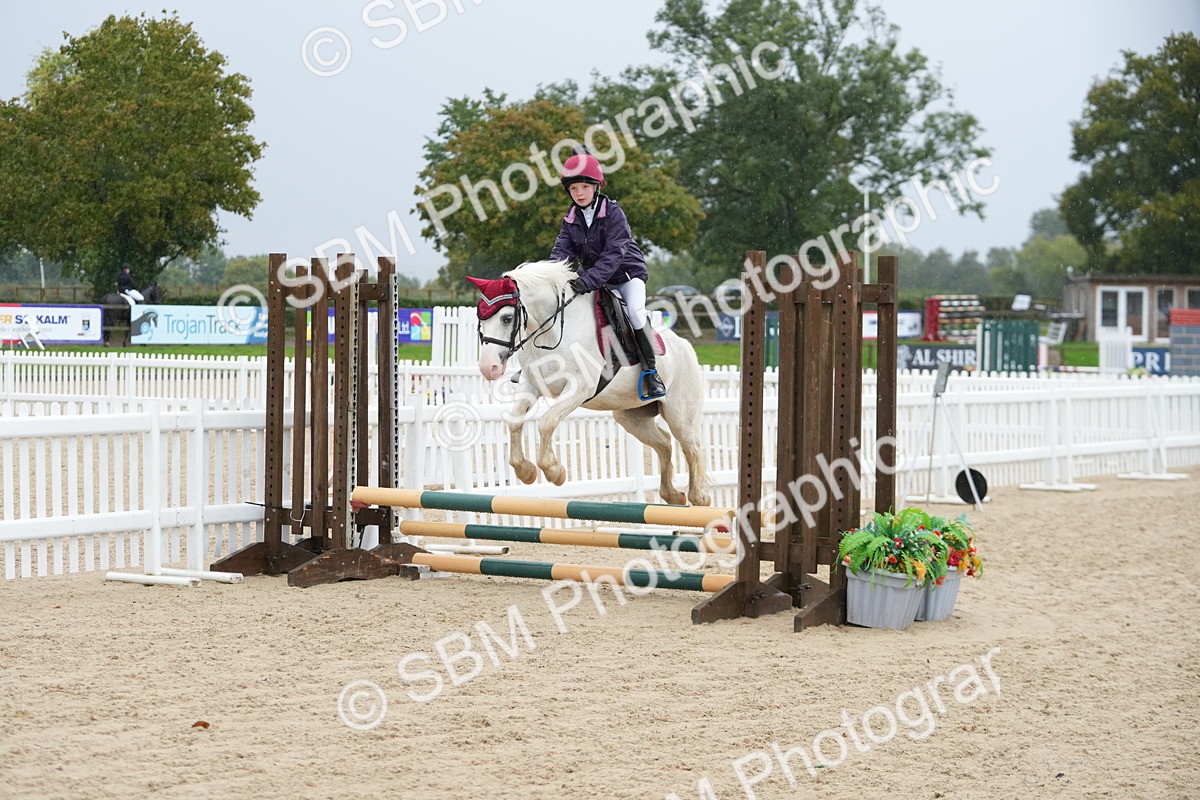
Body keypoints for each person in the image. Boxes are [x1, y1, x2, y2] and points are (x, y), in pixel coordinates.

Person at [550, 153, 666, 400]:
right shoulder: (571, 218)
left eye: (584, 187)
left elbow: (613, 255)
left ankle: (651, 372)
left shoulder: (614, 213)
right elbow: (561, 252)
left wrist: (587, 280)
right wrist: (549, 277)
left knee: (635, 311)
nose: (579, 193)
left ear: (596, 187)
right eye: (573, 188)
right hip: (594, 275)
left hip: (626, 273)